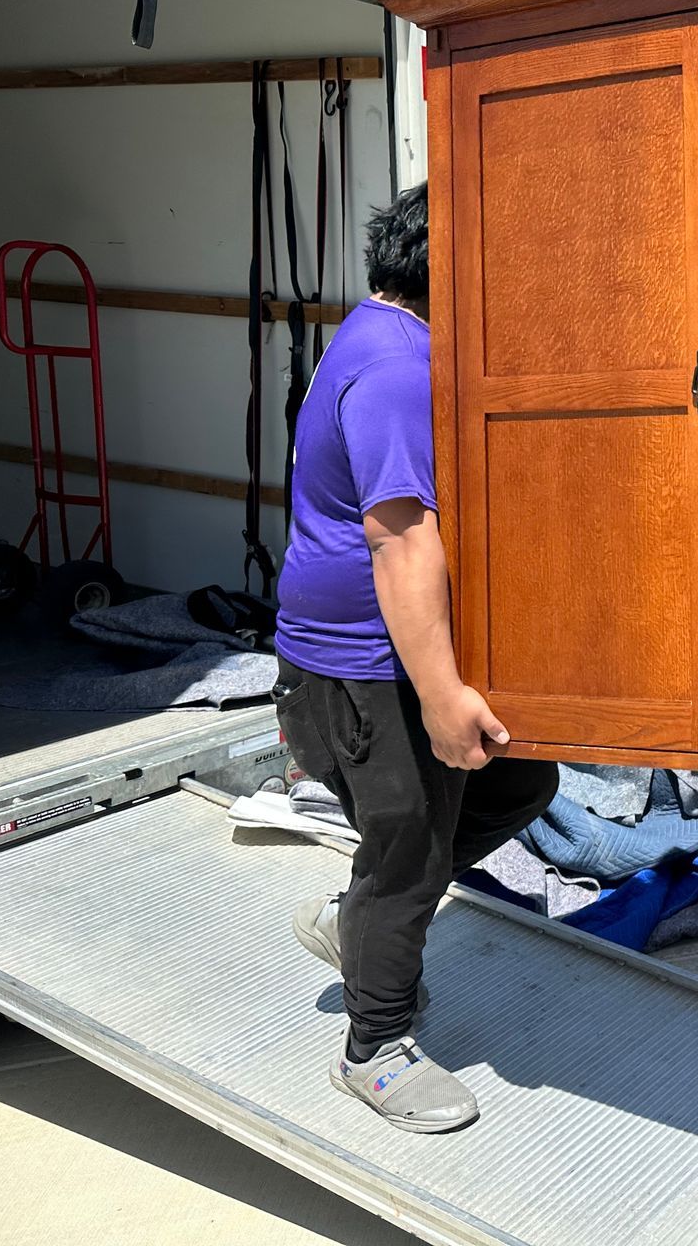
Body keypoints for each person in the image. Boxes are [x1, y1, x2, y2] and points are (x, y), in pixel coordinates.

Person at [271, 182, 557, 1133]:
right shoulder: (396, 369)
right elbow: (400, 541)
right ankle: (374, 1048)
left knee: (520, 784)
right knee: (412, 851)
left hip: (361, 658)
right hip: (362, 668)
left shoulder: (372, 335)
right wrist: (440, 695)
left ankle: (362, 913)